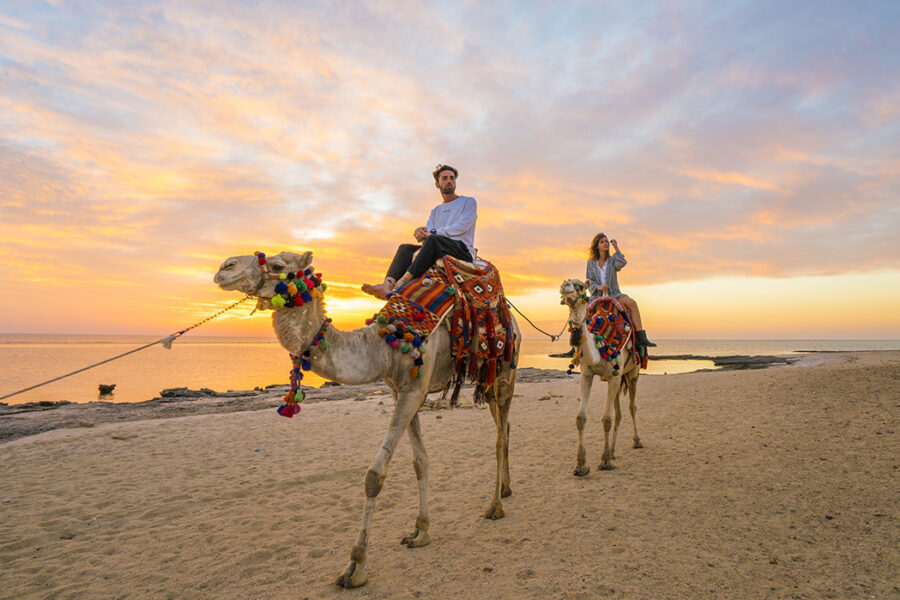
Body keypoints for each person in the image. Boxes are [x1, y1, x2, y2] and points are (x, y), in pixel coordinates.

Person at [361, 164, 477, 300]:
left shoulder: (468, 202)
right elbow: (428, 233)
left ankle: (400, 283)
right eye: (445, 178)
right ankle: (387, 285)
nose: (449, 181)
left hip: (461, 249)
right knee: (405, 248)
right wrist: (419, 233)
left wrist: (432, 233)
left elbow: (463, 226)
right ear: (437, 184)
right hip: (438, 246)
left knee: (433, 239)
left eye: (452, 178)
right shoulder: (435, 211)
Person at [585, 232, 656, 348]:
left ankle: (641, 337)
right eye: (602, 242)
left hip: (614, 293)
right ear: (596, 246)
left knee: (632, 303)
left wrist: (616, 248)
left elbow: (622, 263)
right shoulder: (591, 262)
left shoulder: (612, 260)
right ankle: (577, 345)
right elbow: (589, 279)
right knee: (581, 311)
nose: (605, 243)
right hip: (597, 296)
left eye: (606, 241)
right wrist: (598, 287)